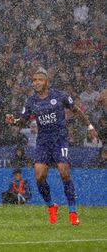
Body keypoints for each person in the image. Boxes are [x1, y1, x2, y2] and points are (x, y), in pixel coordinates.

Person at [6, 68, 98, 226]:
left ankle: (73, 212)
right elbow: (23, 121)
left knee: (64, 172)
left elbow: (76, 110)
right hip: (42, 142)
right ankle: (51, 206)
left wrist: (89, 126)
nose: (36, 83)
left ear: (46, 82)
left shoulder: (60, 96)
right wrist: (13, 121)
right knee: (39, 177)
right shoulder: (31, 101)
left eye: (39, 80)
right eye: (34, 80)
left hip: (60, 140)